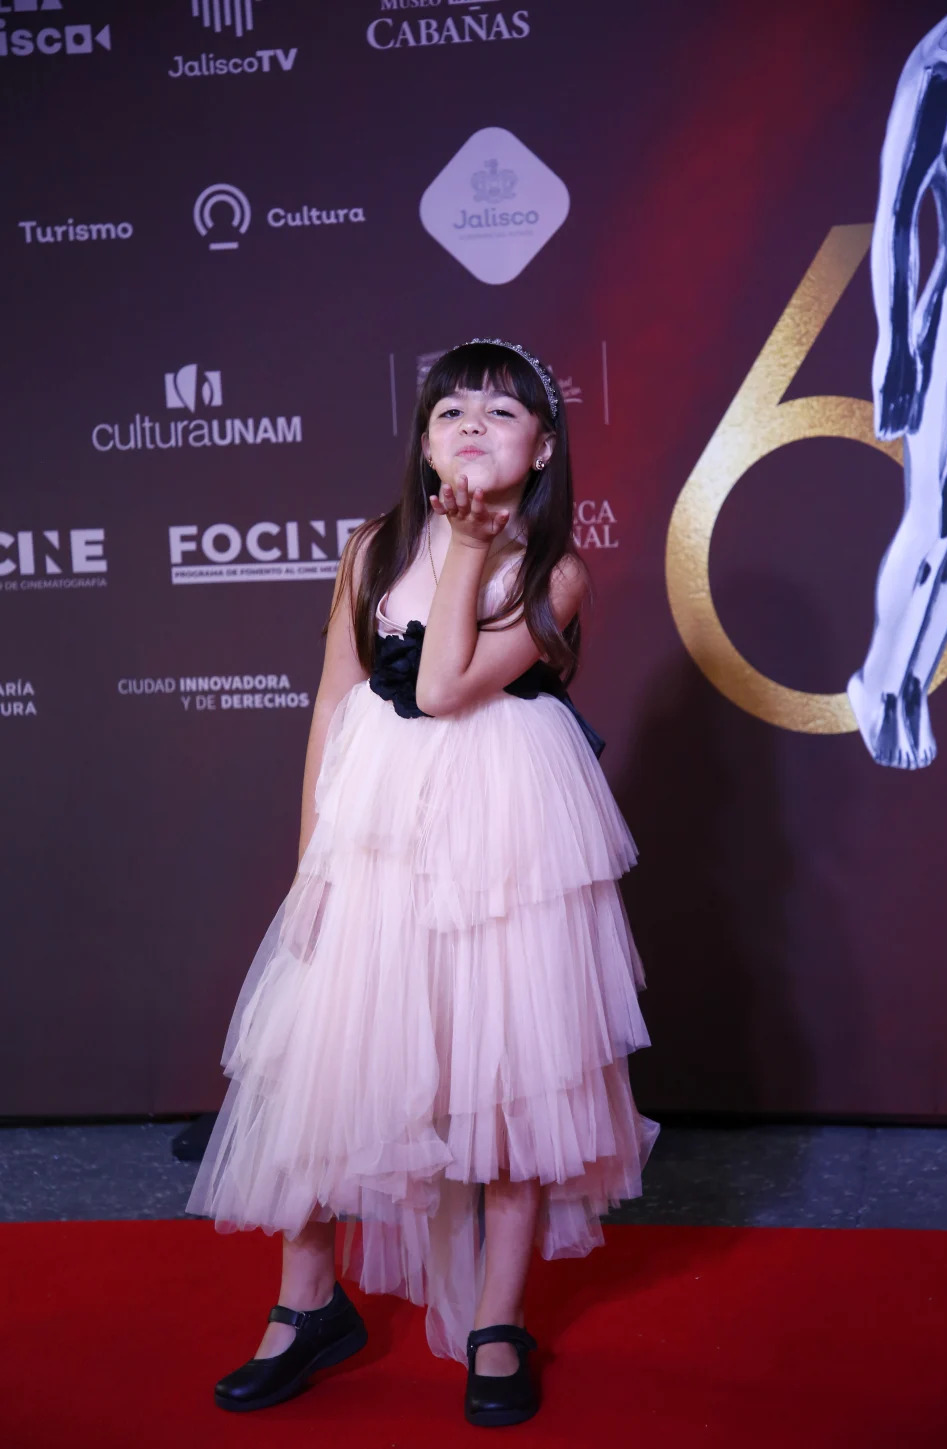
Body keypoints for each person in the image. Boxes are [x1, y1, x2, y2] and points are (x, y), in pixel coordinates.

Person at [187, 339, 658, 1426]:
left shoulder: (555, 573)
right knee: (329, 1055)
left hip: (507, 840)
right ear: (422, 441)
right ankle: (307, 1306)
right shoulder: (369, 551)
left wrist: (467, 549)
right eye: (450, 410)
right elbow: (335, 705)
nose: (472, 424)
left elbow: (443, 687)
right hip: (380, 836)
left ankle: (498, 1319)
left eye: (502, 410)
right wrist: (313, 863)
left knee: (510, 1069)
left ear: (543, 449)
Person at [848, 3, 947, 768]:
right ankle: (885, 682)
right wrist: (896, 347)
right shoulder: (941, 66)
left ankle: (905, 681)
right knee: (940, 515)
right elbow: (896, 213)